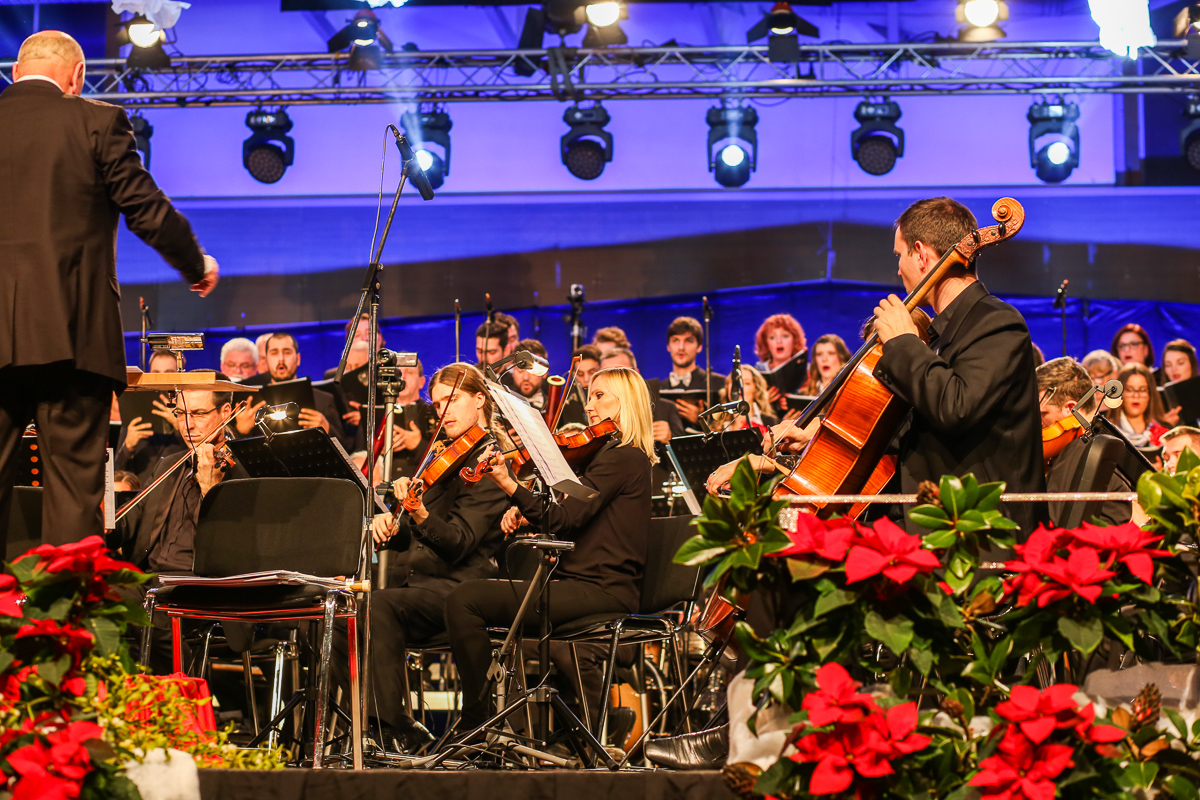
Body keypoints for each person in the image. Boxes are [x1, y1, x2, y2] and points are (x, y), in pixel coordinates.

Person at [709, 197, 1047, 538]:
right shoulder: (943, 334)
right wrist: (813, 433)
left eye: (900, 256)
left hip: (982, 535)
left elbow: (956, 407)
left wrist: (903, 342)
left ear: (921, 253)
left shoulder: (996, 322)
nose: (899, 269)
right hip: (930, 525)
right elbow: (907, 424)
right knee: (785, 534)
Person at [0, 31, 218, 547]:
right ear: (76, 78)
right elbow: (145, 208)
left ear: (14, 74)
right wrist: (194, 263)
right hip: (72, 339)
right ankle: (59, 627)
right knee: (72, 502)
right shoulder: (95, 120)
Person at [445, 366, 657, 733]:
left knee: (465, 600)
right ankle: (511, 728)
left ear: (627, 403)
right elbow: (571, 516)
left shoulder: (622, 456)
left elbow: (564, 520)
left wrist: (509, 485)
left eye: (599, 395)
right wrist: (528, 512)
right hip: (586, 586)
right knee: (485, 613)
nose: (589, 405)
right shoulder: (609, 455)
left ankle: (480, 722)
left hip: (601, 590)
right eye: (589, 395)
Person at [349, 362, 510, 752]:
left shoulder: (491, 462)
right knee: (342, 613)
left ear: (480, 399)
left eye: (452, 400)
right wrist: (393, 527)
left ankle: (396, 729)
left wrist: (419, 513)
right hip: (417, 589)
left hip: (461, 593)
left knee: (376, 606)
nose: (443, 411)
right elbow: (415, 537)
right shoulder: (441, 454)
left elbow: (457, 542)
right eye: (438, 404)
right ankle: (380, 728)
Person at [113, 372, 247, 673]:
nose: (188, 424)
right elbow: (127, 523)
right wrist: (103, 517)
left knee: (131, 595)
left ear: (226, 412)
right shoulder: (168, 464)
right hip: (153, 582)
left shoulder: (246, 465)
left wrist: (209, 488)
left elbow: (237, 546)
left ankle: (183, 685)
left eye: (198, 414)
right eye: (182, 414)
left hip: (208, 588)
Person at [1037, 357, 1131, 526]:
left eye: (1044, 414)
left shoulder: (1079, 452)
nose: (1038, 423)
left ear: (1069, 408)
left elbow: (1052, 524)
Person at [238, 332, 347, 446]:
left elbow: (345, 448)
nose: (281, 359)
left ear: (298, 359)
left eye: (287, 352)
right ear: (266, 360)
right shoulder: (252, 406)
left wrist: (327, 429)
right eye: (274, 353)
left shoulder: (324, 400)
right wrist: (240, 431)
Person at [600, 347, 682, 444]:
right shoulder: (597, 412)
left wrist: (670, 439)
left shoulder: (667, 409)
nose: (614, 380)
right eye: (607, 375)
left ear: (637, 374)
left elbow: (685, 452)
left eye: (620, 373)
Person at [663, 316, 725, 430]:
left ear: (699, 346)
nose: (681, 347)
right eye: (675, 340)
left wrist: (702, 421)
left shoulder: (719, 384)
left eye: (688, 341)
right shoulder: (657, 390)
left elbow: (729, 427)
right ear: (668, 346)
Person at [754, 314, 808, 409]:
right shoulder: (756, 373)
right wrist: (762, 401)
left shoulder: (808, 372)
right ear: (766, 343)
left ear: (794, 340)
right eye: (772, 337)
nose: (779, 341)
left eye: (785, 336)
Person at [1113, 362, 1171, 449]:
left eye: (1142, 390)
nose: (1136, 396)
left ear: (1150, 394)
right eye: (1129, 390)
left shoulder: (1164, 434)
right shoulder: (1108, 431)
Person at [712, 365, 777, 435]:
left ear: (756, 389)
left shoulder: (770, 423)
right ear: (727, 387)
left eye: (746, 383)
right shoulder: (716, 424)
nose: (739, 387)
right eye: (734, 382)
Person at [557, 345, 602, 428]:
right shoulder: (567, 396)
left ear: (601, 369)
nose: (586, 379)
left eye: (592, 372)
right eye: (580, 374)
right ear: (574, 374)